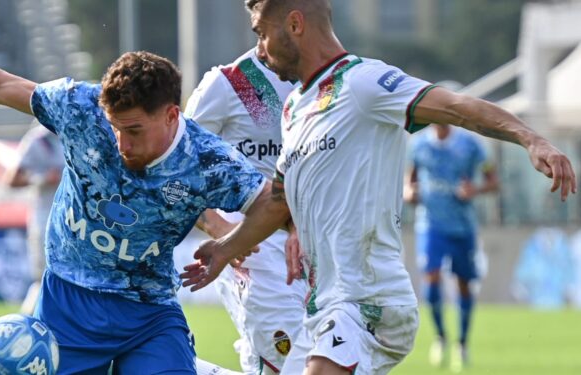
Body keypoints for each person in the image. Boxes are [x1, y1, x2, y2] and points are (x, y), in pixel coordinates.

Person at [180, 1, 576, 374]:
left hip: (368, 301)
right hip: (326, 307)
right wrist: (225, 246)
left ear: (296, 24)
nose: (261, 51)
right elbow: (279, 201)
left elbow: (455, 107)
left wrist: (530, 138)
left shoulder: (364, 82)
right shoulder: (295, 108)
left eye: (262, 34)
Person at [0, 45, 276, 375]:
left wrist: (227, 247)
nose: (121, 144)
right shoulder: (80, 108)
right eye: (114, 128)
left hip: (148, 312)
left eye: (134, 131)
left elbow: (272, 202)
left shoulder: (208, 159)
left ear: (170, 115)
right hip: (68, 302)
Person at [184, 48, 308, 374]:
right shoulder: (232, 83)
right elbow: (175, 166)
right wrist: (217, 227)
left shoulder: (329, 80)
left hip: (319, 245)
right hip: (254, 247)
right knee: (292, 365)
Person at [404, 123, 499, 372]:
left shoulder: (470, 144)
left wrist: (475, 189)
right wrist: (409, 192)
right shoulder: (419, 144)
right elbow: (411, 178)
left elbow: (493, 181)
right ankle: (440, 336)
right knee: (431, 278)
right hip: (430, 224)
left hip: (462, 227)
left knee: (463, 284)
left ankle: (462, 343)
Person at [2, 125, 65, 315]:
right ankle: (26, 329)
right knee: (44, 278)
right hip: (45, 216)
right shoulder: (39, 140)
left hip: (77, 217)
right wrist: (43, 179)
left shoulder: (80, 130)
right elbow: (12, 179)